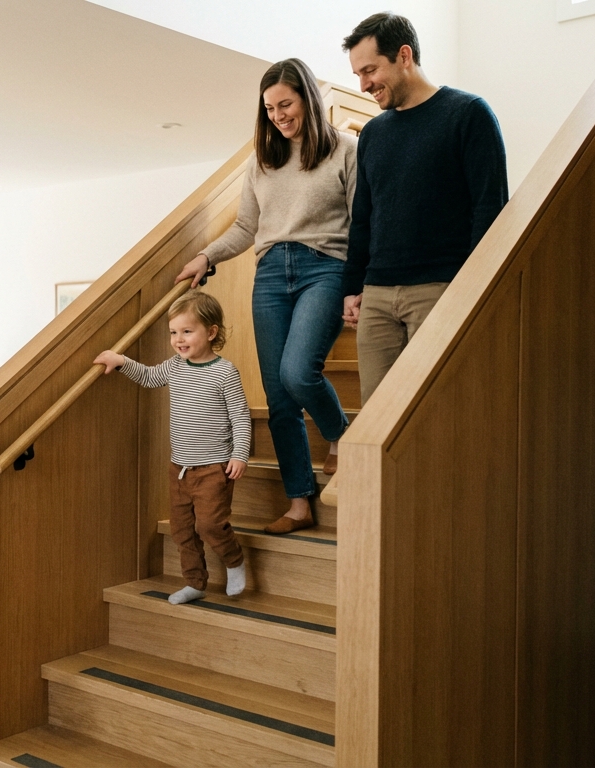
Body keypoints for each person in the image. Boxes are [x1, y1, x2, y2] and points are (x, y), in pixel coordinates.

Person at [175, 58, 356, 536]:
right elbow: (245, 227)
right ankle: (299, 503)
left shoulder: (346, 150)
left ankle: (341, 432)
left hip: (326, 267)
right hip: (272, 273)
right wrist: (206, 257)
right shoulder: (262, 160)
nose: (278, 116)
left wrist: (358, 285)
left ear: (308, 100)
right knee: (278, 397)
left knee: (298, 372)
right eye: (270, 108)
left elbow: (363, 223)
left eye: (286, 104)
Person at [341, 13, 509, 404]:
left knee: (439, 411)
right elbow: (362, 217)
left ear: (404, 56)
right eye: (358, 75)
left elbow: (490, 209)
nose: (364, 85)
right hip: (377, 295)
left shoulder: (468, 114)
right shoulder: (373, 134)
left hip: (441, 289)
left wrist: (470, 289)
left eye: (370, 70)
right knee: (376, 418)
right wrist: (351, 287)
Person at [95, 291, 251, 605]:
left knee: (209, 524)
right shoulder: (175, 366)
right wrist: (121, 361)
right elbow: (150, 377)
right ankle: (195, 582)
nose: (178, 339)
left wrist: (240, 454)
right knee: (182, 530)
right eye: (173, 332)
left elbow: (240, 416)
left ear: (211, 332)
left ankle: (234, 561)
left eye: (187, 331)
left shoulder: (225, 372)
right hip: (179, 468)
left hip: (214, 468)